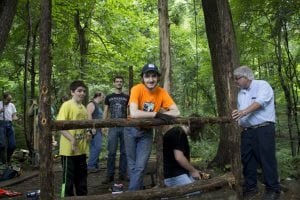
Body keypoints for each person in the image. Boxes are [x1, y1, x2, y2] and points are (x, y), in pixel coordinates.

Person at [124, 63, 180, 191]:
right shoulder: (136, 89)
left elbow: (176, 112)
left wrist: (160, 115)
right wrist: (156, 114)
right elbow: (134, 113)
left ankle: (131, 194)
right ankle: (136, 191)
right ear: (142, 78)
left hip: (146, 132)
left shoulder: (161, 92)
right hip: (130, 130)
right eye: (147, 76)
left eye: (153, 76)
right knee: (132, 165)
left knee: (141, 166)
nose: (150, 79)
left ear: (158, 78)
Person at [231, 66, 281, 199]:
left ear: (246, 77)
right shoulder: (241, 93)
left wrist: (242, 112)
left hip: (263, 129)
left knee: (266, 159)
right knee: (247, 160)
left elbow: (259, 103)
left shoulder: (262, 85)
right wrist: (239, 118)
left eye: (237, 79)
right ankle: (251, 187)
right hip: (247, 131)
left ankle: (273, 189)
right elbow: (241, 112)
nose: (235, 81)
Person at [57, 80, 90, 197]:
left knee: (82, 179)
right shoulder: (66, 105)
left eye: (84, 91)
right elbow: (60, 126)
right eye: (79, 91)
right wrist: (72, 139)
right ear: (72, 92)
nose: (82, 93)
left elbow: (85, 127)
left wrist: (88, 133)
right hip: (68, 151)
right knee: (68, 181)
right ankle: (65, 197)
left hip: (81, 150)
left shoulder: (84, 108)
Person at [102, 76, 129, 184]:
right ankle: (109, 175)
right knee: (111, 152)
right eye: (117, 81)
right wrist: (103, 125)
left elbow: (129, 111)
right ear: (114, 83)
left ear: (122, 84)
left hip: (125, 127)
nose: (119, 83)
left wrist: (130, 125)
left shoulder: (127, 96)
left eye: (120, 82)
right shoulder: (109, 97)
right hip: (112, 127)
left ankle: (123, 174)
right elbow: (105, 111)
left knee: (124, 152)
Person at [86, 91, 104, 173]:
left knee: (96, 147)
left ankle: (95, 165)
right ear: (99, 96)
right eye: (102, 96)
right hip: (94, 129)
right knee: (96, 147)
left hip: (99, 129)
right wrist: (91, 128)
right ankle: (90, 166)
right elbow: (89, 116)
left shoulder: (98, 105)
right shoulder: (91, 104)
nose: (103, 98)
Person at [0, 92, 18, 165]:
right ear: (4, 99)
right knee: (2, 145)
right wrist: (0, 111)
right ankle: (2, 162)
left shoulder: (12, 105)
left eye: (10, 100)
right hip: (1, 124)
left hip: (9, 125)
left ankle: (8, 159)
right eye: (8, 99)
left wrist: (15, 118)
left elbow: (14, 115)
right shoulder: (0, 104)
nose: (9, 101)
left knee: (12, 145)